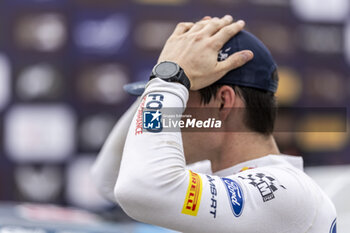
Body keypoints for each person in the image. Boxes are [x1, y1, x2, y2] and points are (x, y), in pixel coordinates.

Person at [91, 15, 337, 233]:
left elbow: (138, 189)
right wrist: (163, 79)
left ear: (222, 103)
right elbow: (111, 179)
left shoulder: (286, 190)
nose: (171, 114)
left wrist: (168, 80)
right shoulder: (217, 174)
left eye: (182, 99)